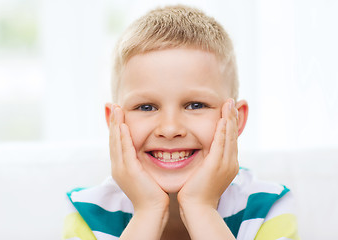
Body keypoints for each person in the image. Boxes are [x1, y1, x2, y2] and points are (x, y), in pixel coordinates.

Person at [62, 5, 299, 240]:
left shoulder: (268, 208)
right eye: (146, 107)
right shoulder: (88, 214)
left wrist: (200, 208)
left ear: (236, 120)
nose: (170, 129)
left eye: (195, 105)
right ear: (114, 121)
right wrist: (147, 211)